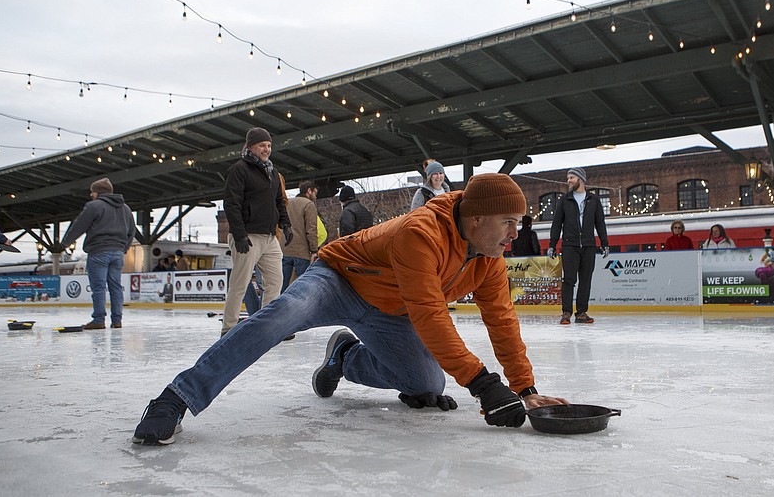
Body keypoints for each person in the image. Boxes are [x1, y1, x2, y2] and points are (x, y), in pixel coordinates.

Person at [132, 173, 568, 446]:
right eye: (510, 221)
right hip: (339, 279)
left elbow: (502, 322)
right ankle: (178, 397)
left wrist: (525, 389)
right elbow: (430, 314)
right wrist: (483, 384)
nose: (516, 233)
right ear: (477, 219)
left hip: (389, 309)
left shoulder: (488, 260)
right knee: (282, 314)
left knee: (426, 383)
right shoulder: (422, 232)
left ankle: (345, 356)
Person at [221, 127, 293, 337]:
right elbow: (231, 204)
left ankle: (268, 325)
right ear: (250, 146)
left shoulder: (273, 172)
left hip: (269, 236)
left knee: (275, 280)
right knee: (240, 283)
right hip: (248, 236)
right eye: (262, 145)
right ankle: (228, 328)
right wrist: (239, 234)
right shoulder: (239, 170)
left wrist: (286, 224)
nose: (267, 149)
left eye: (269, 145)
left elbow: (279, 201)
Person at [60, 178, 136, 329]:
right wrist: (124, 248)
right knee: (115, 286)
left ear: (98, 192)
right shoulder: (125, 208)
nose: (91, 195)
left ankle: (99, 320)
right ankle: (117, 320)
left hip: (99, 251)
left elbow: (79, 226)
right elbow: (132, 231)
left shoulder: (94, 206)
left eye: (92, 192)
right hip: (117, 253)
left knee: (99, 287)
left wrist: (65, 243)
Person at [547, 167, 609, 325]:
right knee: (568, 279)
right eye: (568, 178)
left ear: (580, 179)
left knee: (585, 280)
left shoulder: (593, 200)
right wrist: (552, 245)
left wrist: (604, 243)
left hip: (588, 245)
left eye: (571, 178)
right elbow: (556, 224)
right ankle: (566, 312)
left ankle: (581, 313)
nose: (568, 181)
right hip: (570, 245)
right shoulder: (564, 200)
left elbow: (600, 223)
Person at [281, 180, 319, 292]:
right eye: (315, 193)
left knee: (282, 285)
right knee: (303, 286)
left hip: (284, 249)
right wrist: (314, 249)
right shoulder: (309, 205)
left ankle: (281, 308)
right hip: (301, 252)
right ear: (309, 191)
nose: (315, 196)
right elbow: (311, 229)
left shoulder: (287, 203)